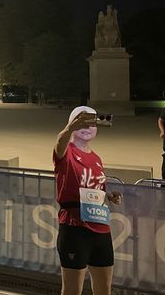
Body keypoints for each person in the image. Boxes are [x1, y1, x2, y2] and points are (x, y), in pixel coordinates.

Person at [53, 106, 122, 295]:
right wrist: (68, 129)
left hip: (101, 228)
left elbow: (91, 187)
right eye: (81, 121)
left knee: (104, 290)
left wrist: (108, 196)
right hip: (75, 229)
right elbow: (60, 143)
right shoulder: (66, 152)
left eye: (92, 122)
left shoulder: (96, 158)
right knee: (72, 290)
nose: (86, 126)